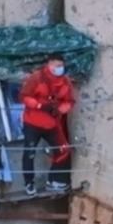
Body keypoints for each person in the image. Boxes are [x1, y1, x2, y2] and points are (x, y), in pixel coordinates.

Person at [19, 54, 76, 195]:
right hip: (33, 122)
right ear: (49, 65)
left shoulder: (65, 81)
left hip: (52, 123)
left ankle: (54, 180)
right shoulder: (36, 78)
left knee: (63, 150)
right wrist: (39, 105)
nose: (59, 69)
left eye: (61, 66)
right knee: (30, 153)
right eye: (57, 66)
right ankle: (29, 183)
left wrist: (59, 109)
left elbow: (69, 101)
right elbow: (24, 96)